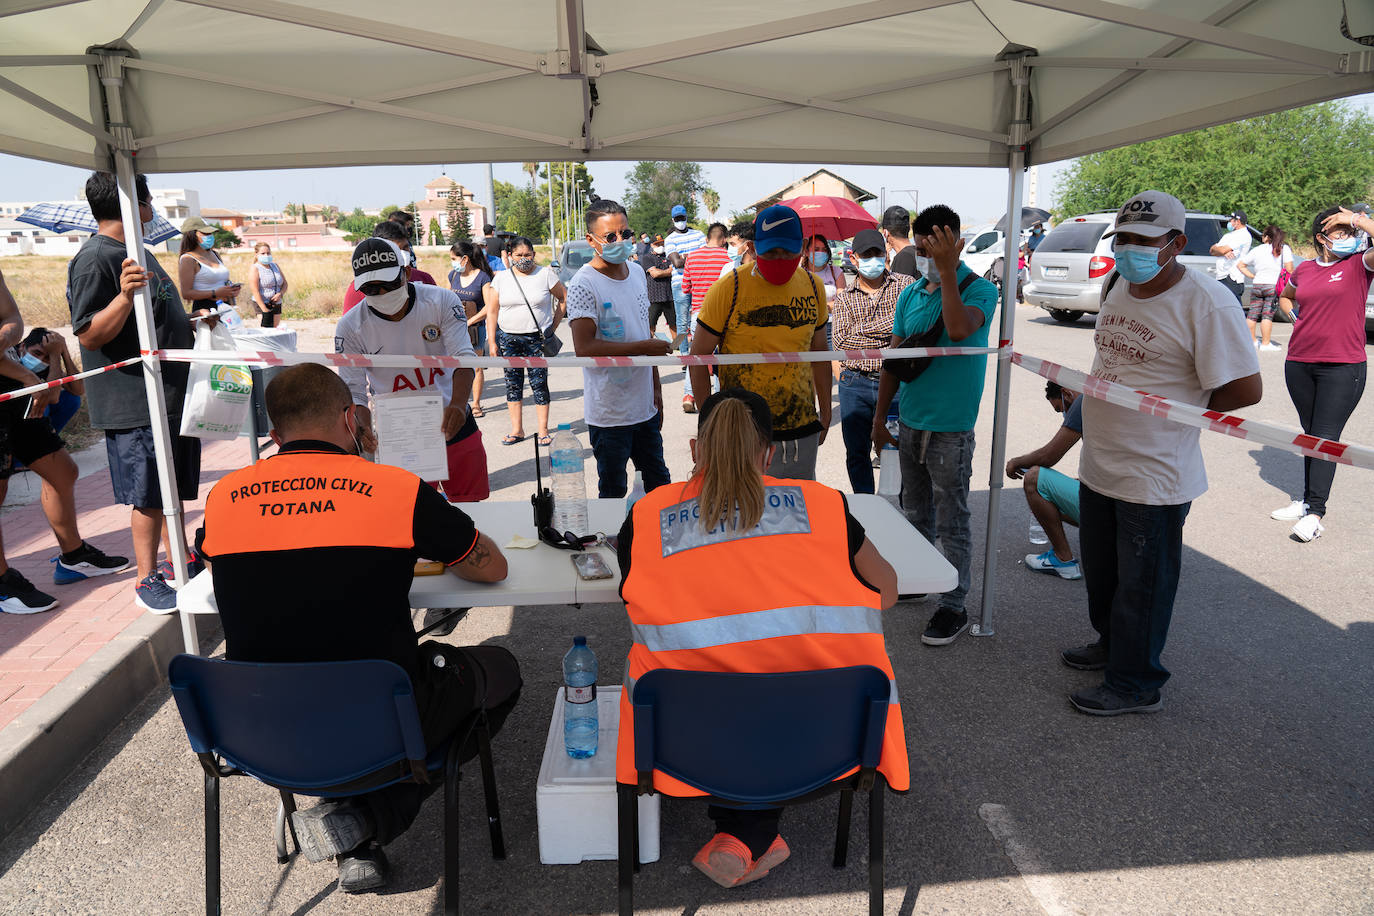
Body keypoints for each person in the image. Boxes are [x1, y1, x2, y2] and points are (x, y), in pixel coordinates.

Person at [196, 363, 521, 893]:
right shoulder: (393, 488)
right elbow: (491, 567)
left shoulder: (225, 497)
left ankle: (350, 821)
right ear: (352, 419)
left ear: (274, 435)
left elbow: (216, 563)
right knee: (502, 666)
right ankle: (367, 820)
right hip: (383, 717)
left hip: (260, 727)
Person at [614, 387, 905, 890]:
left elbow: (635, 600)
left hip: (685, 741)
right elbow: (887, 593)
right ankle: (751, 833)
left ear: (695, 451)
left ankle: (746, 833)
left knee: (725, 687)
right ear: (770, 455)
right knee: (775, 681)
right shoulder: (824, 505)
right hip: (827, 735)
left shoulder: (646, 517)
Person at [1065, 190, 1260, 715]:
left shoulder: (1207, 302)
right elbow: (1112, 361)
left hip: (1155, 476)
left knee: (1142, 586)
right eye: (1122, 239)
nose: (1129, 250)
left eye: (1142, 242)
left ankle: (1135, 682)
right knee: (1104, 573)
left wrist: (1176, 407)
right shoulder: (1116, 283)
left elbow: (1245, 390)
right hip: (1102, 462)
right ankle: (1112, 648)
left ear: (1175, 243)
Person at [67, 171, 202, 612]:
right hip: (135, 400)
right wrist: (124, 297)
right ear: (136, 205)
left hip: (168, 393)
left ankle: (180, 559)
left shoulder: (137, 251)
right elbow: (89, 334)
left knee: (171, 489)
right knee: (147, 494)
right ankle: (147, 579)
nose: (151, 211)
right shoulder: (95, 258)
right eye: (148, 201)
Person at [871, 204, 1000, 647]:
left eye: (933, 249)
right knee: (916, 512)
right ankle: (922, 576)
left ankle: (955, 604)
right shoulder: (909, 294)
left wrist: (947, 274)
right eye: (921, 248)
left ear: (955, 244)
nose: (924, 255)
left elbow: (960, 329)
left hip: (951, 428)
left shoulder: (981, 290)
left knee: (954, 519)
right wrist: (879, 417)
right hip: (910, 421)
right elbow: (893, 359)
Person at [0, 273, 128, 615]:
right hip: (11, 392)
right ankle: (2, 582)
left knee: (63, 472)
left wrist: (27, 353)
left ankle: (74, 557)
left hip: (20, 398)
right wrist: (29, 373)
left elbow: (12, 316)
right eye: (38, 352)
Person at [335, 238, 488, 502]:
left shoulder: (441, 300)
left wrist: (458, 404)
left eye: (389, 284)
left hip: (453, 420)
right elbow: (354, 391)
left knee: (471, 509)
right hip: (399, 434)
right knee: (411, 516)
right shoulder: (350, 326)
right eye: (371, 288)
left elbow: (463, 358)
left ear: (406, 272)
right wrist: (362, 428)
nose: (382, 294)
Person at [690, 205, 831, 480]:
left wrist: (825, 411)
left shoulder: (814, 287)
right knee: (741, 513)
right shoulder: (729, 288)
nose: (780, 259)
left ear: (802, 247)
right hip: (741, 433)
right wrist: (708, 426)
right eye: (771, 253)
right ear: (753, 249)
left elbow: (820, 354)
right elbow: (698, 359)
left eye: (788, 253)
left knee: (796, 512)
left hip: (799, 427)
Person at [1269, 205, 1373, 542]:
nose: (1351, 238)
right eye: (1342, 232)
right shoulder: (1306, 269)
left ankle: (1315, 513)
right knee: (1311, 435)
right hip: (1299, 363)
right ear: (1321, 238)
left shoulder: (1359, 265)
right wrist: (1296, 319)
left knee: (1326, 438)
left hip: (1343, 366)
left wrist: (1355, 220)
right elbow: (1286, 297)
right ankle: (1306, 502)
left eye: (1353, 233)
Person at [566, 199, 673, 497]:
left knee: (658, 488)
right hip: (610, 414)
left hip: (644, 408)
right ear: (591, 240)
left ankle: (654, 543)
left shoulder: (637, 273)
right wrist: (644, 348)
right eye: (610, 237)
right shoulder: (583, 284)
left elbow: (642, 330)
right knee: (613, 491)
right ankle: (615, 544)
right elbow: (584, 347)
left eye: (625, 234)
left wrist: (656, 392)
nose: (620, 242)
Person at [829, 228, 913, 493]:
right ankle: (867, 515)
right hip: (855, 383)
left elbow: (910, 327)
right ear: (854, 259)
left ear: (885, 253)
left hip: (897, 383)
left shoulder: (906, 285)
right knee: (857, 454)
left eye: (877, 253)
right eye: (866, 255)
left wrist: (863, 330)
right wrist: (892, 329)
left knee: (901, 453)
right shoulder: (844, 297)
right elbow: (842, 343)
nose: (872, 260)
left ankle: (901, 515)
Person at [489, 236, 566, 446]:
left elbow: (563, 298)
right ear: (510, 256)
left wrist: (553, 326)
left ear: (534, 254)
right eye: (519, 255)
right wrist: (492, 341)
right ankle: (517, 430)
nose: (524, 259)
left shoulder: (545, 274)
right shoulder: (502, 278)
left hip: (536, 338)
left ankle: (543, 431)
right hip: (508, 338)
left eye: (527, 255)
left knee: (539, 383)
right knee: (513, 384)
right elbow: (492, 311)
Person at [1005, 382, 1084, 580]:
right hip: (1134, 508)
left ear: (1066, 394)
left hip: (1108, 509)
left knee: (1034, 478)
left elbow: (1048, 455)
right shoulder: (1104, 396)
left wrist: (1015, 462)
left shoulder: (1082, 403)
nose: (1063, 414)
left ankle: (1063, 559)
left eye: (1059, 409)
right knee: (1066, 487)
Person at [664, 204, 706, 411]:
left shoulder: (698, 234)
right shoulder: (669, 239)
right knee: (681, 324)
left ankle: (697, 355)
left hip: (699, 283)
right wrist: (692, 257)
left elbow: (687, 259)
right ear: (673, 220)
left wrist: (685, 257)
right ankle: (685, 359)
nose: (681, 220)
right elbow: (677, 263)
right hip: (679, 285)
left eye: (682, 217)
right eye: (677, 218)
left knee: (700, 322)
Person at [342, 221, 436, 313]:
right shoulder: (362, 287)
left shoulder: (424, 278)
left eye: (405, 248)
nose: (402, 253)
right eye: (396, 249)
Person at [448, 240, 495, 417]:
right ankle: (457, 401)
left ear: (465, 259)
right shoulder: (453, 275)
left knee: (476, 367)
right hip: (455, 329)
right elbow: (448, 298)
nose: (452, 262)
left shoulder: (483, 277)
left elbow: (489, 306)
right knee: (454, 366)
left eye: (454, 258)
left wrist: (470, 321)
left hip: (476, 329)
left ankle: (475, 404)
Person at [1236, 225, 1294, 351]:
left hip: (1257, 285)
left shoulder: (1257, 250)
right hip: (1273, 286)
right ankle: (1266, 343)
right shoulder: (1283, 249)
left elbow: (1240, 265)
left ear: (1267, 237)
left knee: (1252, 314)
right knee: (1267, 315)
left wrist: (1252, 276)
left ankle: (1252, 341)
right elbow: (1289, 269)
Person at [17, 327, 83, 435]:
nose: (40, 361)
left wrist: (63, 351)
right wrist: (54, 355)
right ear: (22, 346)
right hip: (10, 411)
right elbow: (52, 398)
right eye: (37, 353)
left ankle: (49, 441)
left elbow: (78, 390)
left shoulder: (48, 363)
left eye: (47, 358)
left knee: (72, 400)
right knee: (42, 403)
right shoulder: (11, 356)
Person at [177, 216, 241, 320]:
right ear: (192, 235)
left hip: (225, 307)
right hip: (206, 310)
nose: (210, 236)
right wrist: (215, 293)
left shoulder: (214, 254)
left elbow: (221, 280)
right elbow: (186, 293)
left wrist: (231, 289)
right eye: (206, 233)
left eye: (211, 233)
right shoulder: (188, 259)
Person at [1209, 209, 1252, 303]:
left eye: (1231, 220)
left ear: (1238, 221)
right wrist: (1222, 251)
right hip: (1221, 276)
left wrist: (1221, 250)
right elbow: (1212, 250)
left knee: (1233, 309)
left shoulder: (1244, 235)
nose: (1229, 222)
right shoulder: (1228, 235)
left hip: (1232, 278)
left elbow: (1222, 249)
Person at [246, 241, 287, 328]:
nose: (266, 256)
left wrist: (280, 294)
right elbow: (255, 291)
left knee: (275, 329)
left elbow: (285, 283)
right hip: (262, 303)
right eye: (263, 253)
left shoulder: (275, 265)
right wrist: (265, 311)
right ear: (256, 254)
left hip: (276, 303)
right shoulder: (255, 268)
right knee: (266, 330)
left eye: (268, 253)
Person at [641, 235, 675, 336]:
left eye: (661, 243)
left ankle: (677, 346)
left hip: (669, 296)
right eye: (657, 244)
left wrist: (662, 271)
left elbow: (673, 270)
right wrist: (668, 271)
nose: (660, 245)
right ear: (652, 245)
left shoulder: (668, 255)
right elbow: (655, 274)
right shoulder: (647, 257)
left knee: (674, 324)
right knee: (650, 325)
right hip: (653, 297)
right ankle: (649, 347)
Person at [803, 233, 845, 300]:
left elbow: (842, 300)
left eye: (824, 250)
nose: (821, 252)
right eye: (816, 249)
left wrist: (827, 307)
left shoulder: (836, 271)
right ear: (806, 252)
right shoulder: (799, 273)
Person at [881, 205, 919, 279]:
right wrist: (887, 265)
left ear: (885, 233)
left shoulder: (903, 258)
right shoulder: (918, 252)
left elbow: (898, 288)